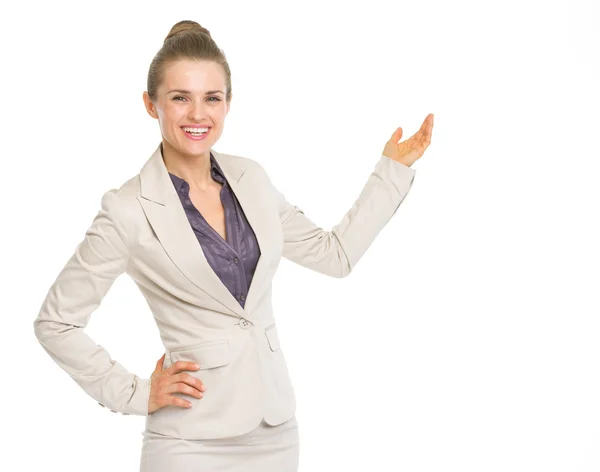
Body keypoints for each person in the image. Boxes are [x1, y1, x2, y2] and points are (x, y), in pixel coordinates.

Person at [33, 19, 434, 472]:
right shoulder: (127, 210)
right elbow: (56, 323)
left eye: (212, 98)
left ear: (228, 103)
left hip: (274, 433)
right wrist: (136, 393)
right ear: (151, 105)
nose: (198, 114)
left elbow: (334, 255)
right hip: (188, 440)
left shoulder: (252, 179)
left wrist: (391, 172)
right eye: (180, 97)